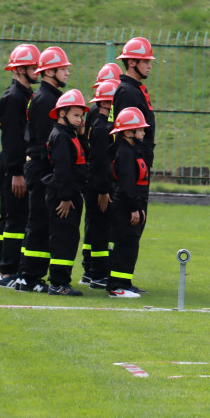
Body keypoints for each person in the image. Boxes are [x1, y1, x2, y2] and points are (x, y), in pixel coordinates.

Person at [14, 46, 73, 293]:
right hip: (40, 168)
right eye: (63, 69)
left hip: (41, 167)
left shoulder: (49, 96)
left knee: (40, 222)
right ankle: (29, 276)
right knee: (38, 223)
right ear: (50, 71)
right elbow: (49, 140)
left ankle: (30, 275)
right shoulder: (46, 99)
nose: (67, 73)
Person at [0, 43, 39, 288]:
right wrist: (16, 172)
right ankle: (7, 272)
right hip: (14, 165)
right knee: (14, 218)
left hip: (18, 165)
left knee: (14, 217)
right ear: (20, 69)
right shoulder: (14, 98)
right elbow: (12, 137)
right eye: (34, 66)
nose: (38, 70)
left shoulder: (25, 95)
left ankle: (9, 266)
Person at [44, 89, 89, 296]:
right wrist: (65, 197)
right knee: (63, 238)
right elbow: (62, 169)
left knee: (70, 238)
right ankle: (58, 284)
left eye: (81, 116)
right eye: (76, 115)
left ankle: (62, 281)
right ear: (62, 113)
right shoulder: (60, 136)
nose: (80, 120)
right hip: (64, 196)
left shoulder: (69, 135)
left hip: (70, 194)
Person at [107, 107, 151, 299]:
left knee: (130, 245)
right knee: (124, 245)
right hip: (125, 207)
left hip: (133, 205)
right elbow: (126, 184)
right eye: (140, 129)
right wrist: (134, 208)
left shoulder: (131, 149)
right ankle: (116, 287)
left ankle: (125, 283)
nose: (143, 132)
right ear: (127, 132)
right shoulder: (124, 153)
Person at [78, 78, 118, 289]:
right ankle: (99, 274)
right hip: (99, 185)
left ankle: (93, 271)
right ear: (108, 103)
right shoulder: (102, 129)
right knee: (101, 230)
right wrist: (104, 190)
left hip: (93, 182)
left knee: (96, 228)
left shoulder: (96, 124)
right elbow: (101, 160)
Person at [112, 38, 156, 179]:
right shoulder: (128, 92)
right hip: (133, 163)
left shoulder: (133, 89)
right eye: (145, 61)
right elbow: (126, 132)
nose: (149, 66)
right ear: (131, 63)